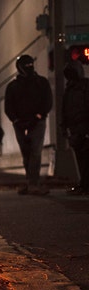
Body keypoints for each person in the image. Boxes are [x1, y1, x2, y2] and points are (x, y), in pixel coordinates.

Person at [4, 54, 52, 195]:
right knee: (26, 153)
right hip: (20, 123)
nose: (29, 68)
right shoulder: (13, 86)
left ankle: (33, 183)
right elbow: (9, 106)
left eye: (31, 65)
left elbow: (47, 101)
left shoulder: (41, 82)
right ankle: (30, 181)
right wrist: (16, 120)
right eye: (27, 65)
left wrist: (39, 115)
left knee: (35, 152)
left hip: (37, 122)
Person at [60, 60, 89, 195]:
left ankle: (85, 185)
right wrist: (64, 127)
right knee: (81, 159)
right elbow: (64, 111)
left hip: (83, 128)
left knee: (85, 159)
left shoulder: (84, 87)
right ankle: (83, 185)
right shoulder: (70, 90)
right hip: (76, 130)